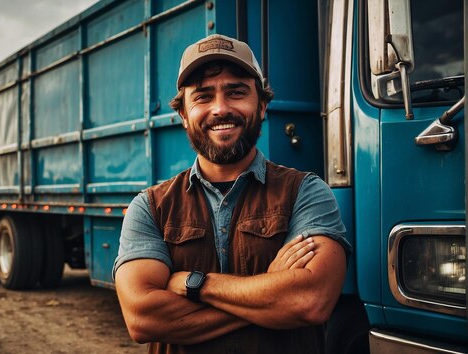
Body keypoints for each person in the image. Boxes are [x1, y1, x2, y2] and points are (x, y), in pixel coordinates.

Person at [113, 34, 351, 354]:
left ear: (262, 106)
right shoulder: (150, 207)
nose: (221, 109)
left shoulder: (306, 192)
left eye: (236, 92)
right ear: (184, 114)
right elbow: (143, 319)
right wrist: (269, 294)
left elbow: (309, 301)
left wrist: (193, 284)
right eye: (203, 96)